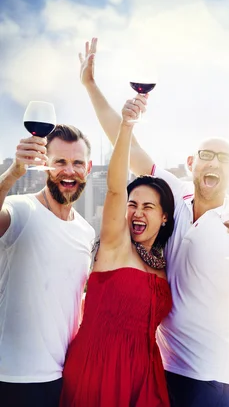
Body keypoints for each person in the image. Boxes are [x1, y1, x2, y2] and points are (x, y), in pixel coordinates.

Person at [79, 37, 229, 407]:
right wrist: (91, 87)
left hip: (211, 379)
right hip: (159, 368)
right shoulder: (171, 196)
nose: (215, 163)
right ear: (191, 163)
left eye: (224, 158)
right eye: (207, 155)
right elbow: (125, 140)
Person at [60, 100, 175, 406]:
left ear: (164, 217)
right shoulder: (115, 244)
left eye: (148, 207)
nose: (137, 212)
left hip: (146, 373)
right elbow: (114, 189)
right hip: (98, 368)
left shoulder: (164, 263)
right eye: (132, 204)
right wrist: (126, 127)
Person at [0, 124, 95, 407]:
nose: (70, 171)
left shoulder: (86, 232)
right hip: (10, 378)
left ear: (88, 167)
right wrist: (12, 175)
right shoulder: (21, 210)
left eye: (77, 163)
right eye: (60, 162)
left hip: (61, 379)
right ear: (44, 166)